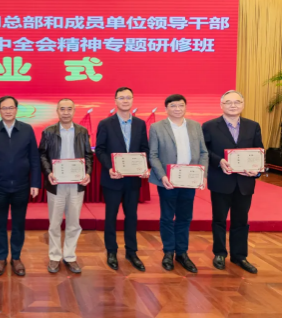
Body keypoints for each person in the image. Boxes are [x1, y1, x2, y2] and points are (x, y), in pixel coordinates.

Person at [202, 90, 264, 274]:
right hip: (221, 180)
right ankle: (219, 253)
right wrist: (218, 161)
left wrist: (256, 169)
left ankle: (239, 256)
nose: (233, 105)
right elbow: (204, 150)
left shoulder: (253, 126)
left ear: (242, 105)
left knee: (241, 220)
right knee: (219, 220)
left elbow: (258, 150)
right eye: (228, 102)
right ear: (221, 105)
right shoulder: (209, 126)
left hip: (245, 182)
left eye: (237, 102)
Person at [0, 96, 41, 277]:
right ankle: (1, 258)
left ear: (16, 109)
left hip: (22, 186)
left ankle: (16, 257)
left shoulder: (27, 129)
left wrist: (35, 182)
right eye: (4, 108)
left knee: (18, 224)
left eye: (11, 107)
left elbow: (34, 158)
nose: (8, 111)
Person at [149, 94, 209, 273]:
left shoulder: (195, 126)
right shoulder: (156, 127)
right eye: (173, 106)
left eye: (181, 105)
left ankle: (182, 253)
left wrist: (202, 174)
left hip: (189, 179)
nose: (177, 109)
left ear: (185, 107)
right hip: (168, 180)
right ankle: (168, 252)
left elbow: (204, 153)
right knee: (167, 217)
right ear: (166, 109)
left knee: (184, 217)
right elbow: (153, 155)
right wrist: (162, 176)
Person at [95, 87, 150, 272]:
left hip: (133, 180)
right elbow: (100, 150)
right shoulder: (105, 123)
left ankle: (131, 252)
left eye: (128, 97)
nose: (125, 100)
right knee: (111, 216)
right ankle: (111, 251)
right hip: (113, 178)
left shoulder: (140, 124)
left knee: (131, 216)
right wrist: (110, 167)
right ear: (115, 101)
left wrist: (144, 167)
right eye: (121, 98)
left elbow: (144, 149)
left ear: (133, 100)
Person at [38, 98, 93, 274]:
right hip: (56, 184)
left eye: (69, 109)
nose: (66, 112)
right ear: (57, 111)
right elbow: (42, 154)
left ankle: (69, 256)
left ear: (74, 111)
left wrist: (87, 173)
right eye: (63, 109)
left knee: (74, 222)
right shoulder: (49, 131)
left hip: (76, 184)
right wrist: (49, 172)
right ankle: (54, 256)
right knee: (54, 223)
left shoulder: (82, 131)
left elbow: (88, 155)